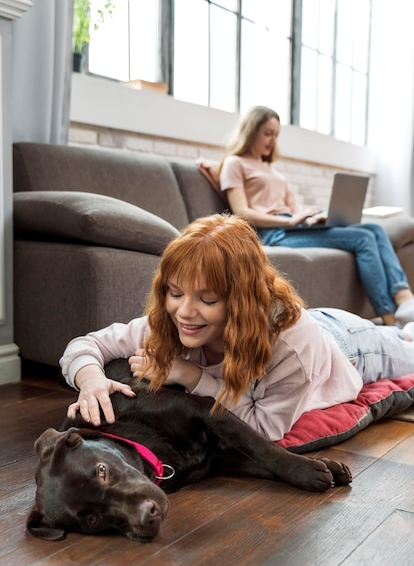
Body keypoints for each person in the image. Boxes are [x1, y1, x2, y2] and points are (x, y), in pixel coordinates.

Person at [62, 214, 414, 442]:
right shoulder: (173, 321)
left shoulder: (292, 347)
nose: (184, 312)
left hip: (349, 346)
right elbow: (85, 345)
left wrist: (191, 376)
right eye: (174, 292)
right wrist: (90, 379)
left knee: (406, 344)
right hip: (316, 323)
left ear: (240, 300)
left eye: (207, 299)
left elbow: (263, 429)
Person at [218, 105, 414, 327]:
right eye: (267, 133)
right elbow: (241, 213)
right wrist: (289, 221)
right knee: (363, 238)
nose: (272, 140)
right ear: (251, 130)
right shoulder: (235, 163)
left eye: (276, 135)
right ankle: (389, 316)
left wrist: (310, 217)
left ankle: (404, 296)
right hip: (273, 232)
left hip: (293, 225)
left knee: (375, 229)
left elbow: (295, 208)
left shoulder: (273, 171)